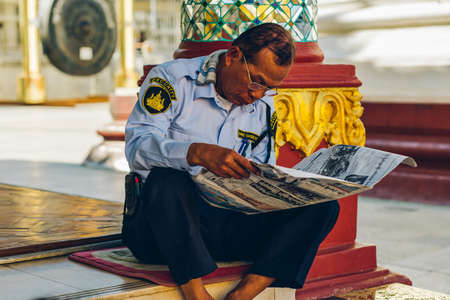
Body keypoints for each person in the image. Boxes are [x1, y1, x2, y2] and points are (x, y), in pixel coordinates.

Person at [123, 23, 340, 300]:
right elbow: (136, 148)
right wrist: (194, 153)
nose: (258, 94)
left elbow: (265, 167)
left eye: (269, 88)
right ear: (233, 55)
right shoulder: (172, 79)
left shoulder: (263, 104)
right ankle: (196, 293)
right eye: (256, 82)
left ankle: (245, 292)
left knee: (323, 207)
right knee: (167, 179)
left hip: (228, 224)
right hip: (164, 230)